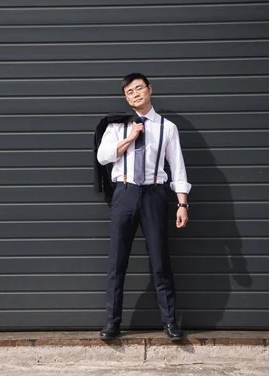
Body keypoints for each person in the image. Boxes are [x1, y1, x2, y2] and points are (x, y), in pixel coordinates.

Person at [96, 73, 191, 340]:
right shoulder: (116, 126)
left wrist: (182, 203)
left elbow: (178, 168)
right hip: (124, 193)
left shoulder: (167, 128)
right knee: (117, 261)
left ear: (149, 90)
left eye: (139, 88)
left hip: (154, 194)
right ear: (126, 97)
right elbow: (103, 157)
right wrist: (129, 137)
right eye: (129, 92)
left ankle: (170, 322)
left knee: (160, 260)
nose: (135, 94)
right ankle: (112, 323)